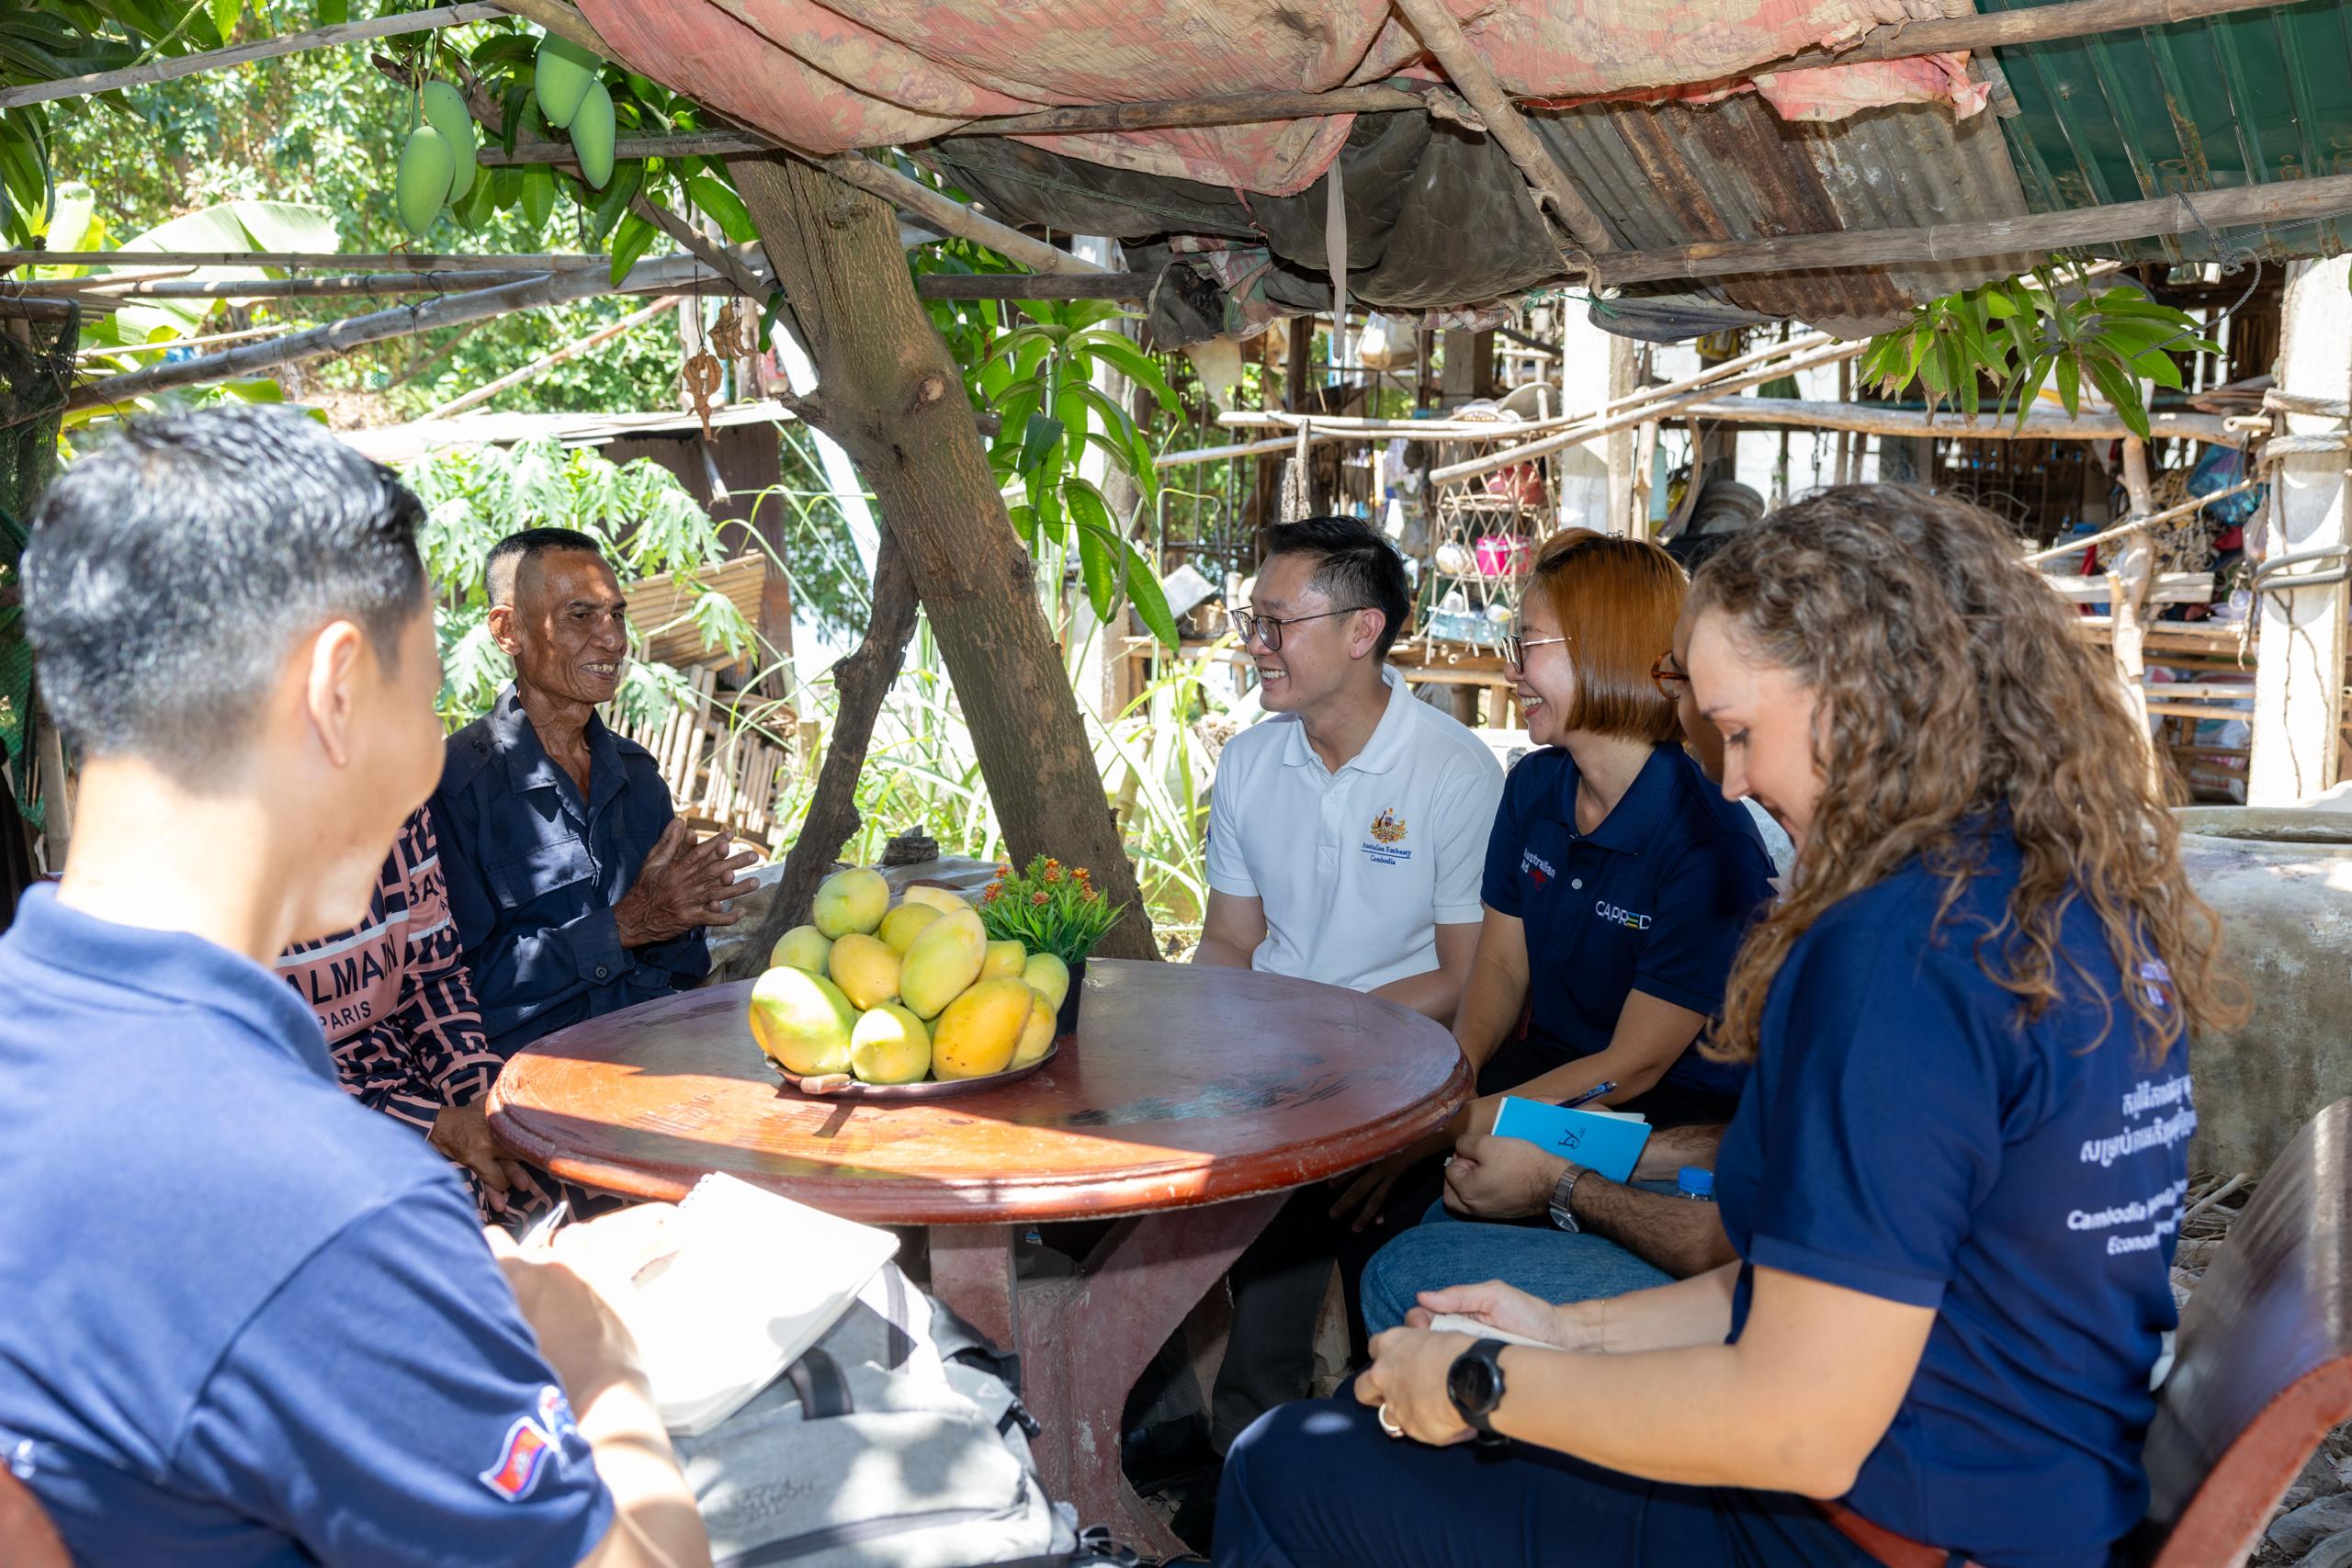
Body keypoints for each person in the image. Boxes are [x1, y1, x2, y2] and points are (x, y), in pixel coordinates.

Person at [1214, 486, 2242, 1568]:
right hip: (2027, 1492)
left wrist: (1485, 1384)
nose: (1736, 779)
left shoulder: (1896, 952)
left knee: (1288, 1465)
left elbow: (1798, 1423)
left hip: (1880, 1528)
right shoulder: (2055, 900)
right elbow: (1829, 1293)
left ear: (1862, 696)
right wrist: (1561, 1330)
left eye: (1742, 732)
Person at [0, 408, 709, 1564]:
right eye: (421, 699)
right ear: (336, 692)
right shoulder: (332, 1215)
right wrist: (590, 1351)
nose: (430, 754)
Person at [1173, 514, 1506, 1473]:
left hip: (1401, 1084)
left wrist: (1317, 1040)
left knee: (1384, 1295)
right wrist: (1188, 1052)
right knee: (1243, 1280)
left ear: (1363, 631)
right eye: (1255, 619)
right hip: (1274, 1075)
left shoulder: (1452, 771)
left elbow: (1464, 972)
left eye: (1278, 622)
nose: (1256, 643)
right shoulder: (1250, 760)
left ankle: (1372, 1473)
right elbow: (1230, 940)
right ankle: (1243, 1472)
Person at [1355, 603, 1778, 1333]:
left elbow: (1634, 1066)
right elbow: (1499, 966)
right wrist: (1452, 1086)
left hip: (1669, 1107)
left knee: (1415, 1227)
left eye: (1528, 645)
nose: (1510, 668)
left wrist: (1454, 1125)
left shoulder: (1710, 839)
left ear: (1604, 650)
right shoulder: (1536, 784)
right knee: (1383, 1194)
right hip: (1550, 1062)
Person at [435, 526, 757, 1058]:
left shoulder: (637, 777)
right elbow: (449, 995)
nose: (613, 640)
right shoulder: (453, 787)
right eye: (581, 615)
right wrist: (624, 926)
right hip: (534, 1077)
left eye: (617, 615)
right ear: (508, 630)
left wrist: (686, 906)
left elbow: (685, 965)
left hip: (662, 1052)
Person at [274, 803, 552, 1225]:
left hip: (400, 1078)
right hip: (292, 1100)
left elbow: (434, 980)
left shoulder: (403, 806)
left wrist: (482, 1105)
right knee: (436, 1209)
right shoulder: (219, 834)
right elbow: (234, 1058)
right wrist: (433, 1125)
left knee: (542, 1167)